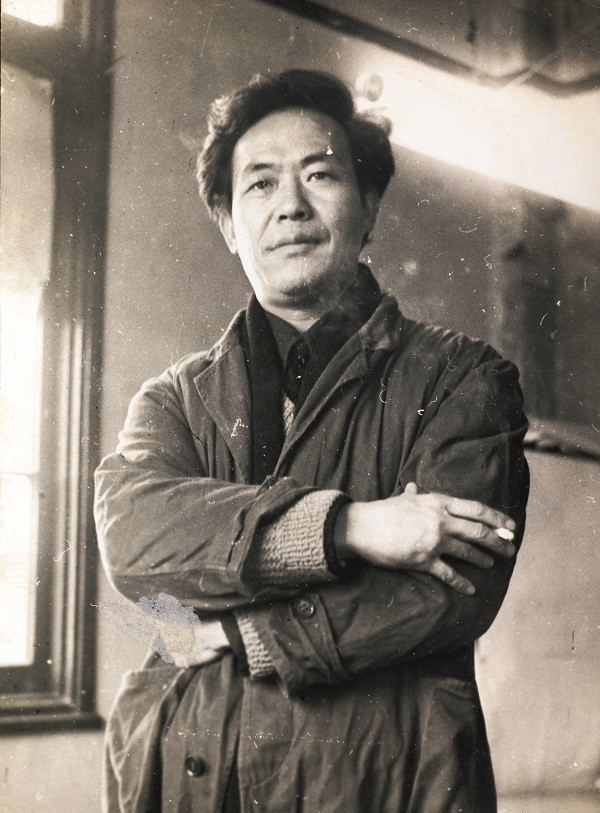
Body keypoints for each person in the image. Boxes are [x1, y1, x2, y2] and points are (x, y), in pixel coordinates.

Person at [94, 70, 529, 812]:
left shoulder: (462, 378)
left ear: (370, 204)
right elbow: (133, 542)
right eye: (260, 184)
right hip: (188, 776)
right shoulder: (173, 399)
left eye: (320, 175)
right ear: (229, 224)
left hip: (382, 779)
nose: (290, 205)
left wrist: (236, 633)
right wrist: (346, 528)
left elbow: (448, 590)